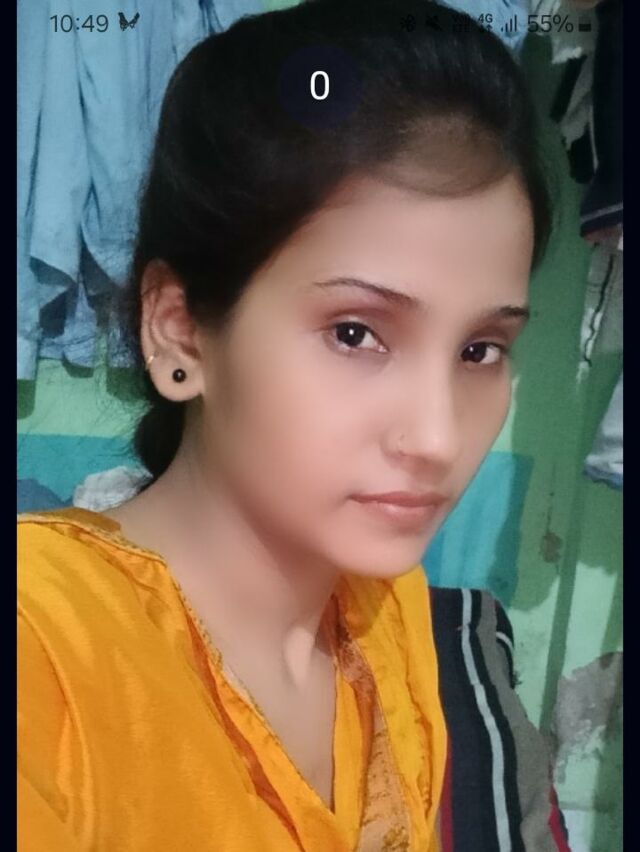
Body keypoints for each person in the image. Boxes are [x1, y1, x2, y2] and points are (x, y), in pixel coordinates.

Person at [18, 1, 565, 849]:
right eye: (355, 333)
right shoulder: (43, 650)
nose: (438, 439)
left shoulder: (390, 612)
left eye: (480, 349)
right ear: (179, 329)